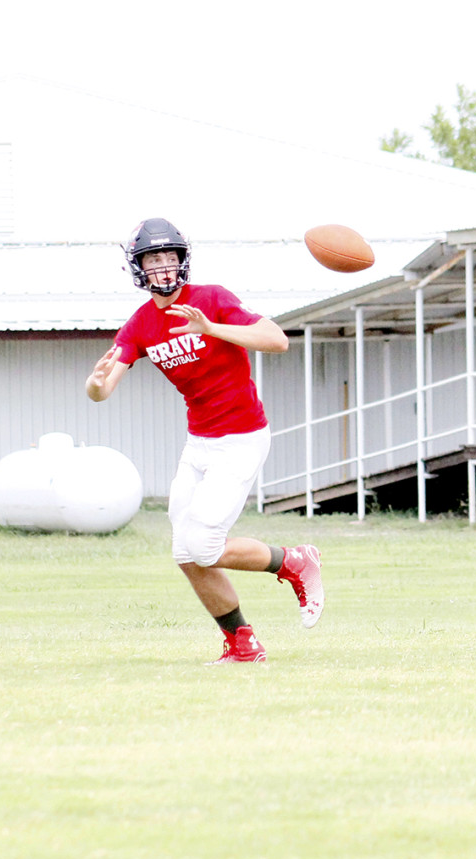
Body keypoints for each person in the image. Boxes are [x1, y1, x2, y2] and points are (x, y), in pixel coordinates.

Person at [85, 218, 324, 664]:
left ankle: (293, 560)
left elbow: (276, 340)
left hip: (242, 437)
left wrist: (211, 329)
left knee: (204, 546)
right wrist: (95, 385)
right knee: (185, 552)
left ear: (183, 261)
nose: (162, 266)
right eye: (152, 259)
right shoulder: (140, 325)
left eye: (169, 257)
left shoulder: (211, 299)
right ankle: (241, 643)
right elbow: (103, 388)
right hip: (199, 443)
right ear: (138, 268)